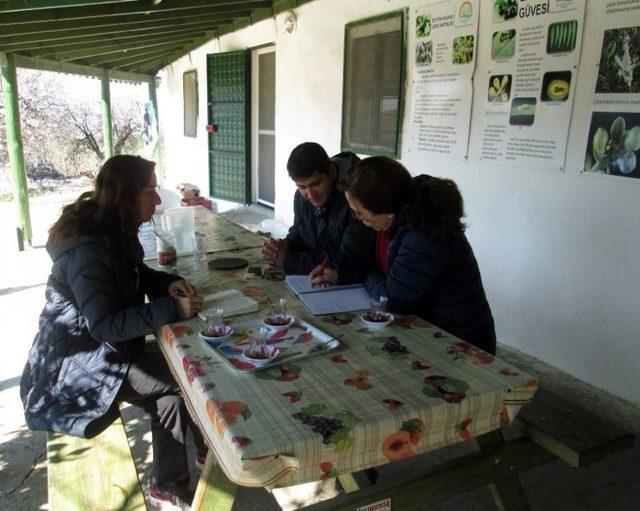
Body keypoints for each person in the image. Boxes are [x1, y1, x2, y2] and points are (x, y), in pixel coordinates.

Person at [20, 155, 205, 510]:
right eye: (150, 192)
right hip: (77, 367)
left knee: (175, 387)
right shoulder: (87, 253)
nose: (158, 200)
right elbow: (104, 326)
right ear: (126, 196)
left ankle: (172, 483)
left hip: (102, 353)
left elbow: (133, 273)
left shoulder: (112, 229)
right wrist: (170, 309)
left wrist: (169, 284)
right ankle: (192, 466)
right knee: (185, 377)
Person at [311, 156, 496, 354]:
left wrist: (366, 275)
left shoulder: (424, 232)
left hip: (461, 342)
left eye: (359, 213)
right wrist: (340, 275)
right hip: (428, 328)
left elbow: (391, 300)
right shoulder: (394, 219)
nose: (358, 219)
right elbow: (377, 270)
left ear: (386, 210)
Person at [261, 142, 375, 283]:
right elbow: (300, 233)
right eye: (302, 187)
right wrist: (283, 247)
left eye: (316, 184)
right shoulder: (300, 197)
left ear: (332, 172)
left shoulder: (355, 198)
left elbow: (349, 259)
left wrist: (288, 260)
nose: (310, 195)